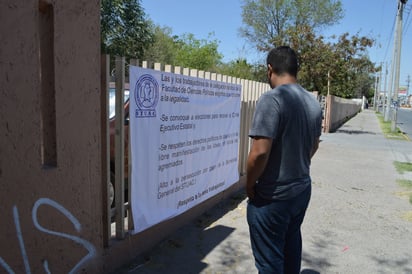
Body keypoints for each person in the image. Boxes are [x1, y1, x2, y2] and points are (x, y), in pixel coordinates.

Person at [246, 46, 322, 274]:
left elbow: (259, 153)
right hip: (301, 190)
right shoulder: (312, 102)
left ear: (270, 69)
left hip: (273, 197)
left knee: (270, 263)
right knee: (290, 246)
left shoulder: (272, 99)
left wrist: (249, 185)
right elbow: (314, 145)